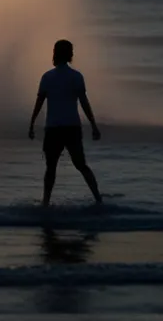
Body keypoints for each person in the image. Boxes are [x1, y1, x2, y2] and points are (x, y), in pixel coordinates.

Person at [28, 39, 102, 206]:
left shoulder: (47, 77)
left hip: (54, 128)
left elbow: (39, 104)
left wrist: (32, 124)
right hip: (72, 128)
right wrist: (94, 125)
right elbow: (84, 103)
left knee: (51, 168)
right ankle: (98, 199)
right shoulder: (76, 76)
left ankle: (45, 203)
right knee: (81, 165)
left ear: (55, 54)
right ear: (70, 55)